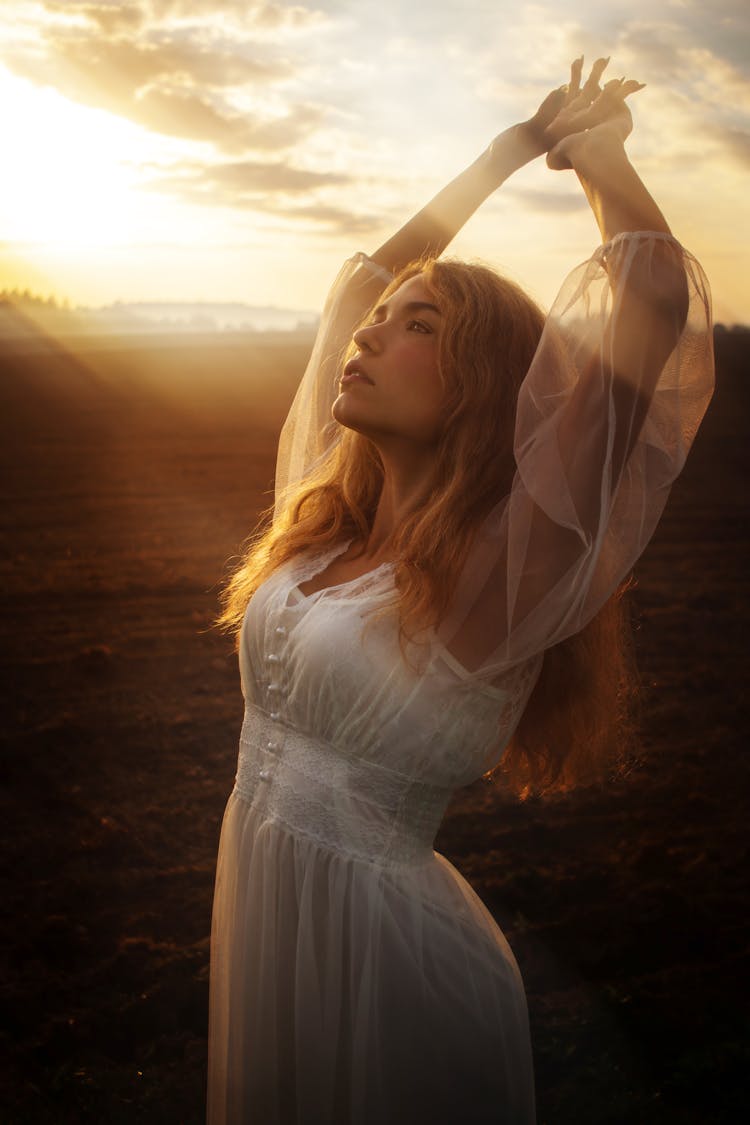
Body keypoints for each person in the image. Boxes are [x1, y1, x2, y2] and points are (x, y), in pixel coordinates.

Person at [207, 58, 714, 1124]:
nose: (367, 332)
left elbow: (654, 300)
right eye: (382, 320)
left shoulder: (505, 561)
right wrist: (505, 151)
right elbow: (358, 279)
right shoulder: (328, 521)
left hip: (389, 976)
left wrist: (594, 152)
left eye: (418, 324)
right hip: (268, 933)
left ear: (485, 383)